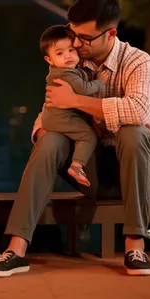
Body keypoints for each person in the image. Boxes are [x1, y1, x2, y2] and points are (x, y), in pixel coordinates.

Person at [0, 0, 150, 278]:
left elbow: (138, 112)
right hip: (99, 172)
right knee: (49, 137)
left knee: (132, 132)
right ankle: (16, 250)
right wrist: (47, 132)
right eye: (73, 34)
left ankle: (135, 247)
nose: (76, 44)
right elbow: (49, 111)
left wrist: (76, 101)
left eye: (85, 38)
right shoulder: (72, 62)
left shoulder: (139, 63)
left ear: (111, 33)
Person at [40, 24, 105, 187]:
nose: (68, 56)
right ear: (49, 59)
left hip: (53, 117)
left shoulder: (58, 70)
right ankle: (77, 165)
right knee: (88, 136)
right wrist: (99, 82)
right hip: (61, 118)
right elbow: (84, 89)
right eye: (60, 53)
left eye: (71, 50)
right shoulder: (66, 73)